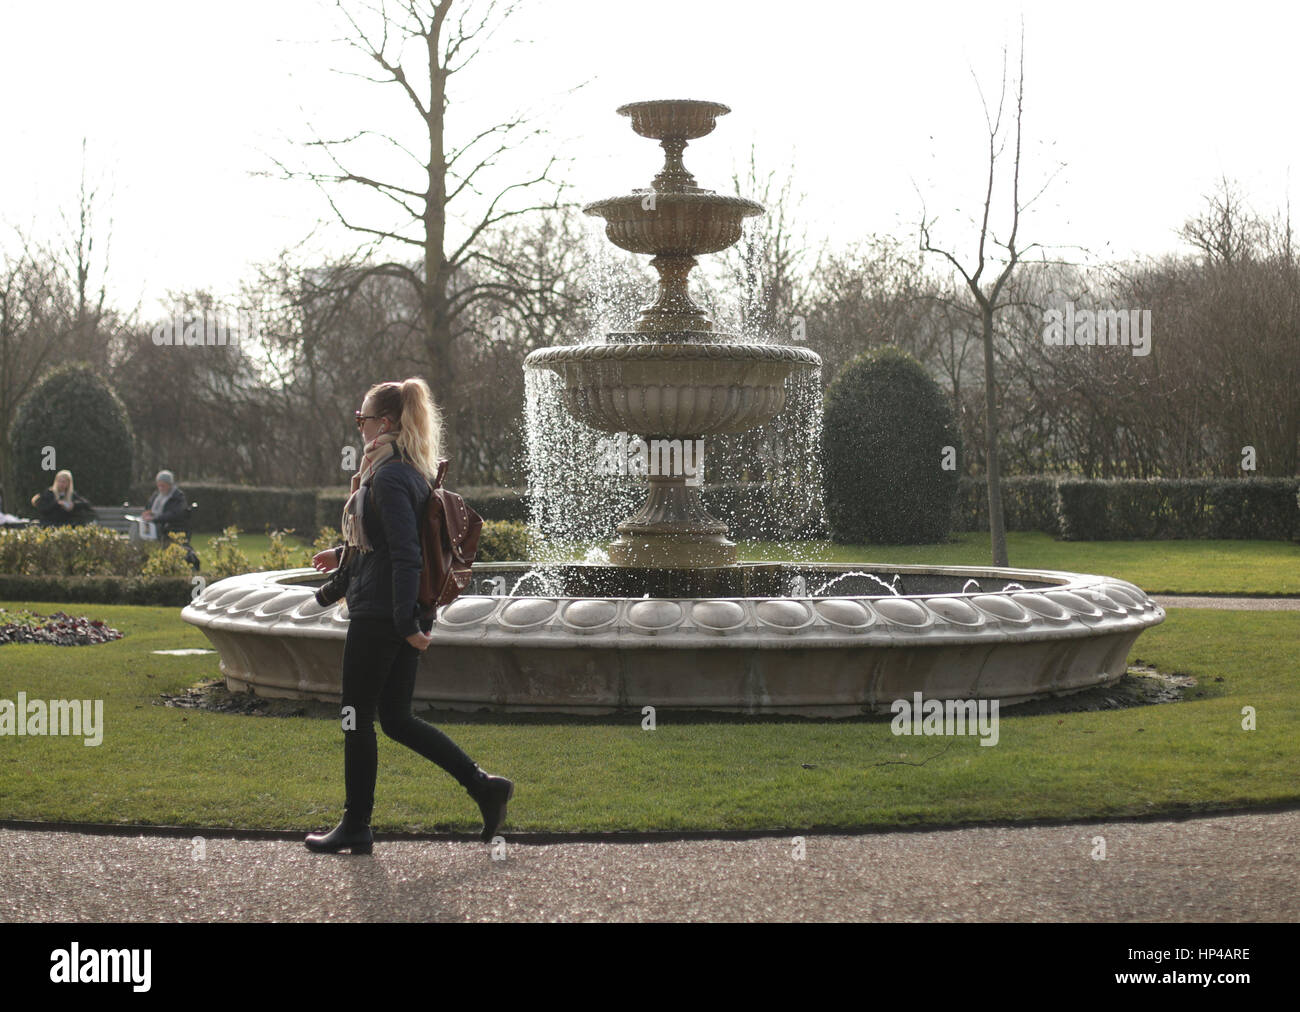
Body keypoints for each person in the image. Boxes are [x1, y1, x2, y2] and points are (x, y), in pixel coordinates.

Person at [304, 377, 513, 855]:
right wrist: (341, 558)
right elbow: (386, 544)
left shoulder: (392, 475)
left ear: (387, 423)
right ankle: (485, 788)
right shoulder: (403, 471)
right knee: (395, 719)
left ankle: (356, 825)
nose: (358, 428)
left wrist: (406, 625)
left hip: (382, 616)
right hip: (390, 609)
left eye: (363, 420)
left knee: (356, 717)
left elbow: (405, 556)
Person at [141, 470, 200, 570]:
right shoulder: (156, 495)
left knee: (181, 549)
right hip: (156, 528)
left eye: (163, 485)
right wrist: (148, 513)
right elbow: (149, 507)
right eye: (159, 485)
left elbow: (173, 514)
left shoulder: (178, 497)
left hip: (173, 529)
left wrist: (155, 518)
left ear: (170, 485)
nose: (161, 488)